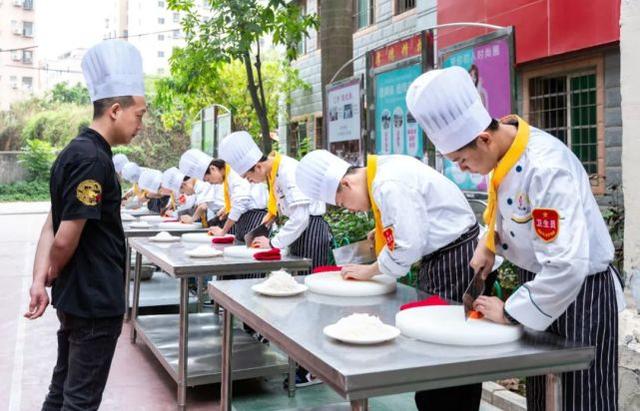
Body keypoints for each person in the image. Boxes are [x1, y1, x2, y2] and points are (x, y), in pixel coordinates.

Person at [406, 65, 625, 411]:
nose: (462, 169)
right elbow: (512, 212)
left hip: (581, 295)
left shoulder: (545, 167)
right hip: (540, 284)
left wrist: (510, 311)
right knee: (544, 398)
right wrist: (488, 243)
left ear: (484, 138)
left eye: (461, 160)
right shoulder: (506, 153)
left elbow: (567, 264)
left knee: (582, 401)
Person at [296, 149, 486, 410]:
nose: (350, 210)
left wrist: (371, 269)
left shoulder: (387, 184)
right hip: (447, 257)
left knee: (447, 355)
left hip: (456, 260)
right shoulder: (384, 169)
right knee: (437, 354)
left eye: (343, 204)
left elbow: (407, 246)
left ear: (346, 183)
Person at [24, 39, 147, 411]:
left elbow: (50, 223)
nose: (141, 123)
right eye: (139, 114)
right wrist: (50, 273)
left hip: (77, 297)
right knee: (79, 402)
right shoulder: (93, 160)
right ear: (114, 110)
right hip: (94, 301)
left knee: (62, 391)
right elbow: (63, 237)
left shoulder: (73, 152)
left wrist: (38, 279)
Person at [179, 149, 267, 241]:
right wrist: (226, 209)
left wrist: (222, 232)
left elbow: (240, 204)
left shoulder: (234, 174)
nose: (211, 183)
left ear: (213, 169)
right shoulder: (228, 177)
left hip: (255, 217)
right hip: (245, 218)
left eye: (208, 179)